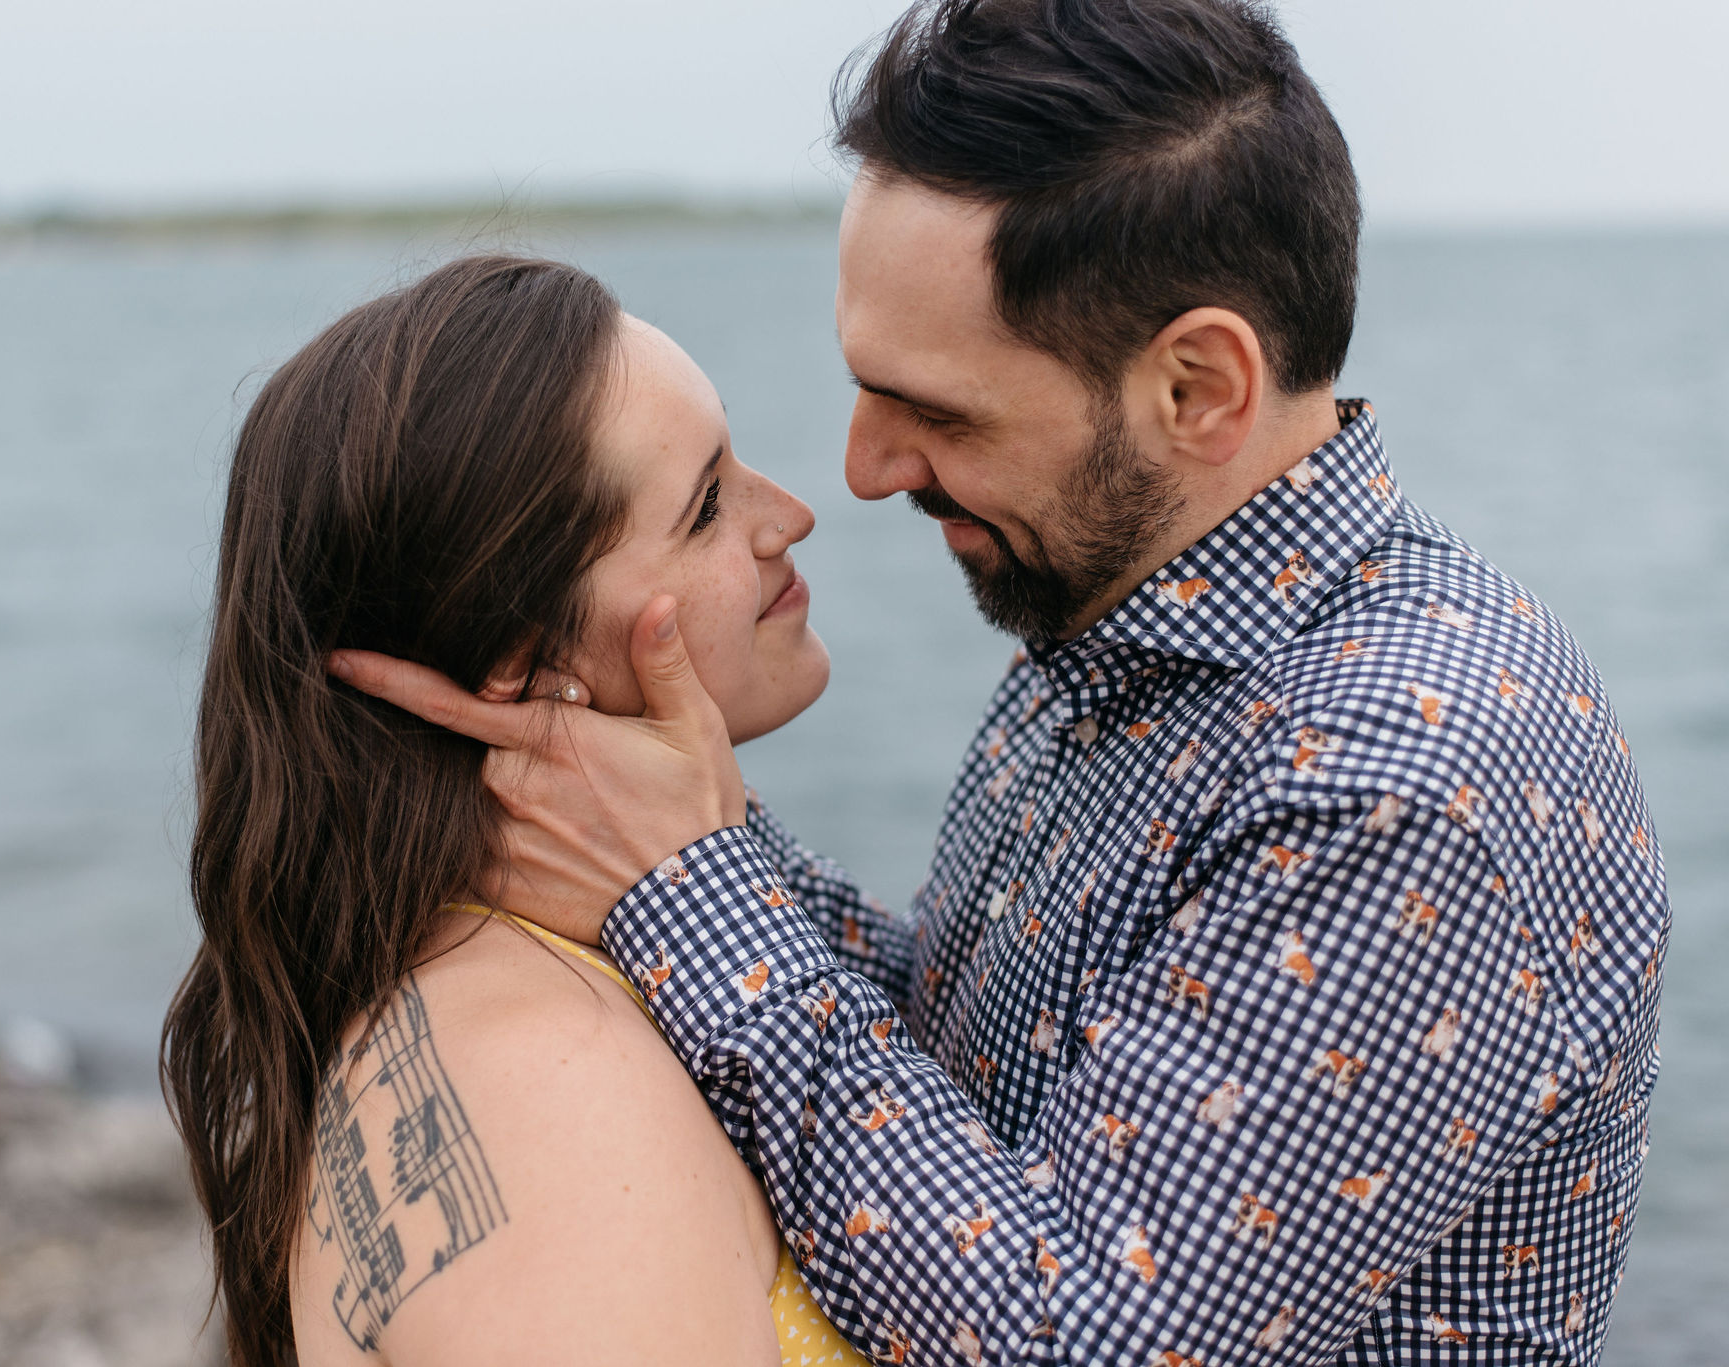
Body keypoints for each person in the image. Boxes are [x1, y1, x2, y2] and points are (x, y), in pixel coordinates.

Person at [333, 1, 1670, 1363]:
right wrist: (683, 841)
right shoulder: (1130, 624)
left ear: (1199, 387)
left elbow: (1070, 1333)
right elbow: (998, 1059)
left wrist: (688, 892)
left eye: (941, 409)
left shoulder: (1394, 783)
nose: (863, 468)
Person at [161, 254, 872, 1366]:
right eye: (704, 506)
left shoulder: (503, 975)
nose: (790, 513)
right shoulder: (551, 1089)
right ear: (525, 665)